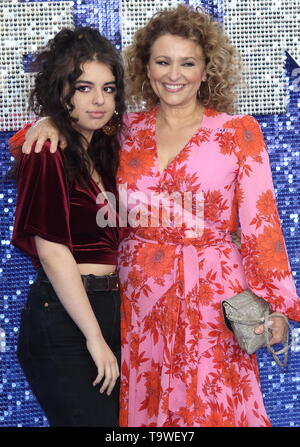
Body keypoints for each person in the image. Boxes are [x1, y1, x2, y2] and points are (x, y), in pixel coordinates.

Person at [10, 5, 300, 428]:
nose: (174, 74)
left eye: (188, 63)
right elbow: (60, 137)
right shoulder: (125, 128)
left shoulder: (238, 131)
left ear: (207, 69)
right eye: (162, 61)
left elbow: (263, 225)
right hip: (137, 300)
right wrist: (45, 122)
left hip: (212, 299)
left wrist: (275, 307)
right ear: (145, 67)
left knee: (211, 410)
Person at [9, 27, 126, 427]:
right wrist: (94, 337)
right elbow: (52, 250)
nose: (99, 100)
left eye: (109, 89)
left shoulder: (105, 150)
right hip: (64, 321)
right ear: (62, 91)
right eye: (84, 88)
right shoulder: (48, 150)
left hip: (109, 310)